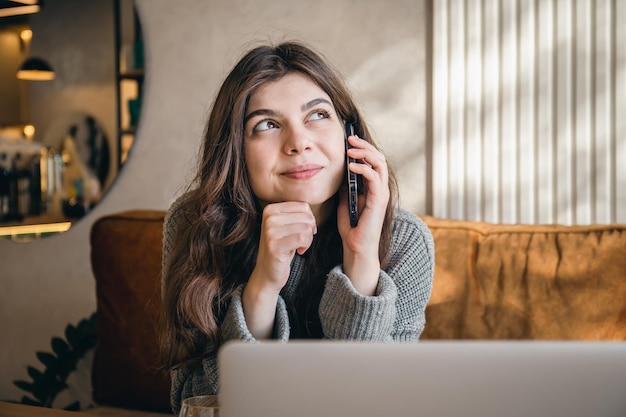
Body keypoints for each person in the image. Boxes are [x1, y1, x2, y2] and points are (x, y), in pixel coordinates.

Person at [160, 41, 435, 415]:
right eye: (267, 125)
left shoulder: (406, 241)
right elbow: (193, 403)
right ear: (236, 148)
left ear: (348, 132)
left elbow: (378, 403)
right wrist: (262, 287)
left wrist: (362, 260)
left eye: (317, 116)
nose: (299, 143)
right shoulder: (196, 224)